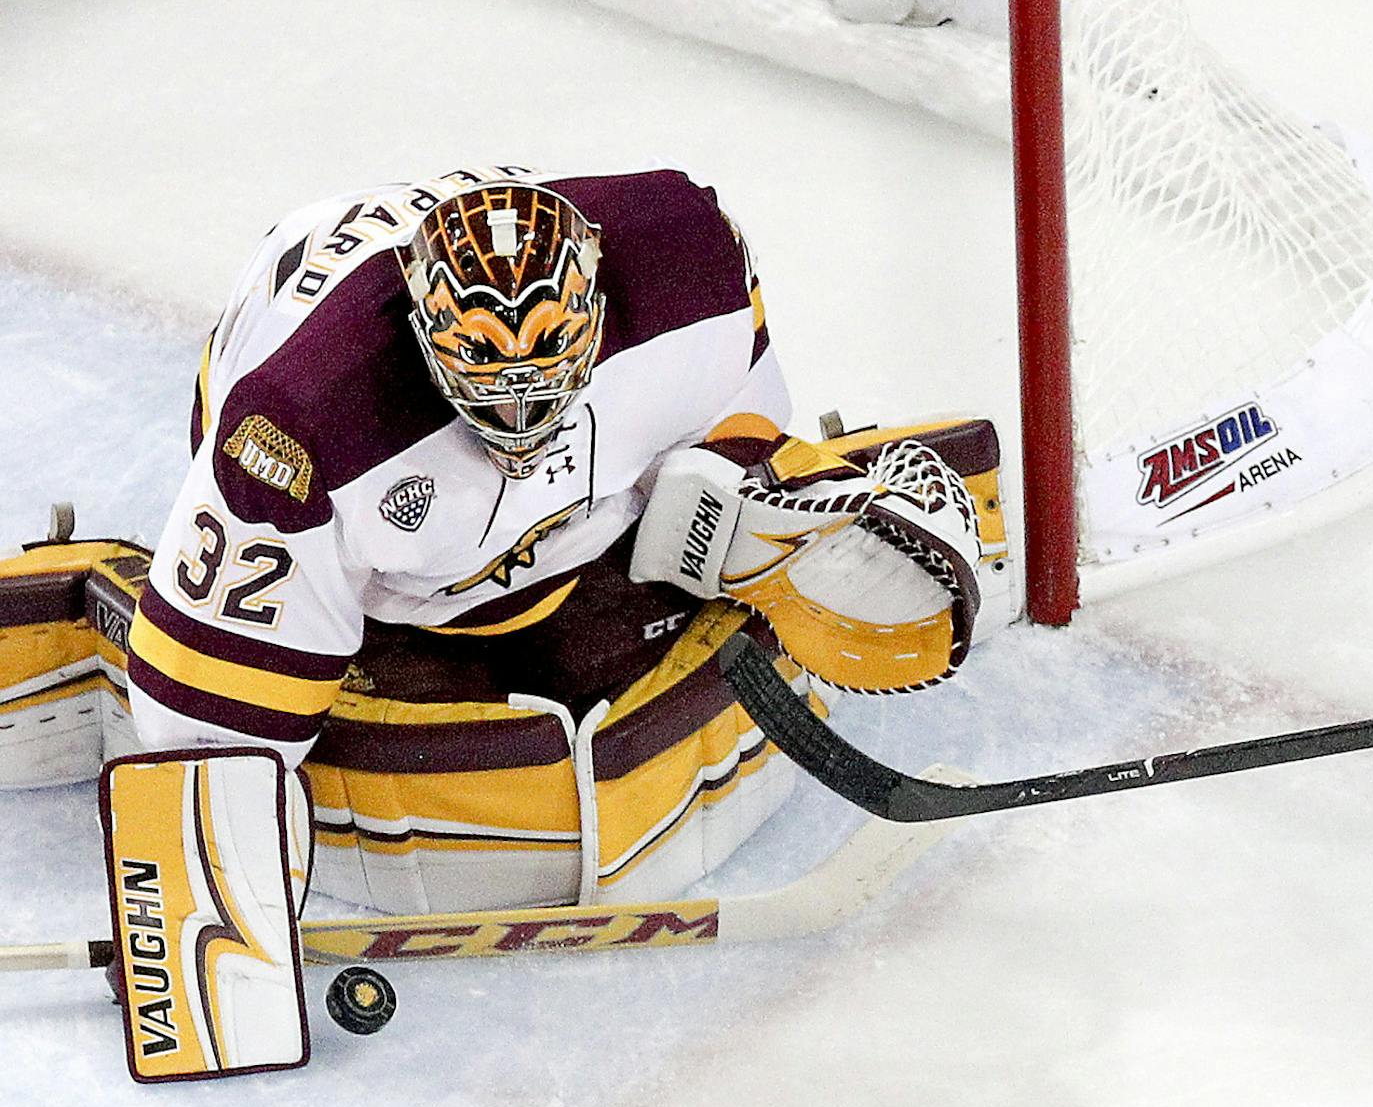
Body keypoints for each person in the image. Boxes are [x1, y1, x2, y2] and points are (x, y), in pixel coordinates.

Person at [61, 163, 990, 913]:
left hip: (571, 497)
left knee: (689, 520)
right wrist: (206, 881)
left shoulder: (687, 268)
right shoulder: (299, 423)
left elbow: (735, 418)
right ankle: (125, 616)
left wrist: (753, 494)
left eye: (547, 369)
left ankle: (790, 524)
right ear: (423, 332)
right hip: (311, 473)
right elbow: (207, 736)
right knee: (244, 694)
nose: (520, 412)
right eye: (485, 380)